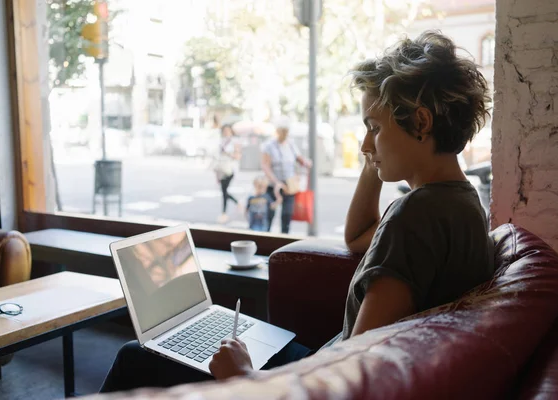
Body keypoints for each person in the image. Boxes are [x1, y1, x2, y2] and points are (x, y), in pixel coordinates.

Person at [100, 31, 495, 392]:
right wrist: (378, 152)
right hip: (321, 361)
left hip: (320, 381)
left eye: (372, 126)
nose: (363, 143)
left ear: (421, 122)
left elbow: (354, 376)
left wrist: (244, 378)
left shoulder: (416, 216)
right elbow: (358, 236)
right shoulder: (462, 201)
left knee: (134, 356)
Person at [260, 118, 312, 234]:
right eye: (282, 131)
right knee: (270, 214)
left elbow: (299, 159)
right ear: (277, 131)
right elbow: (265, 165)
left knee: (286, 215)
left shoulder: (291, 144)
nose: (285, 134)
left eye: (286, 131)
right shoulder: (268, 145)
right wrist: (276, 182)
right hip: (273, 186)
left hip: (289, 185)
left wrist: (306, 163)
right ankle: (266, 239)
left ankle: (283, 240)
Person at [213, 125, 242, 224]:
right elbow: (218, 156)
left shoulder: (235, 142)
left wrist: (228, 153)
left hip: (230, 169)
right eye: (224, 130)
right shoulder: (221, 141)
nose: (226, 132)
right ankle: (237, 203)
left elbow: (238, 156)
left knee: (224, 190)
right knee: (224, 190)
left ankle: (224, 213)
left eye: (228, 130)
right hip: (221, 168)